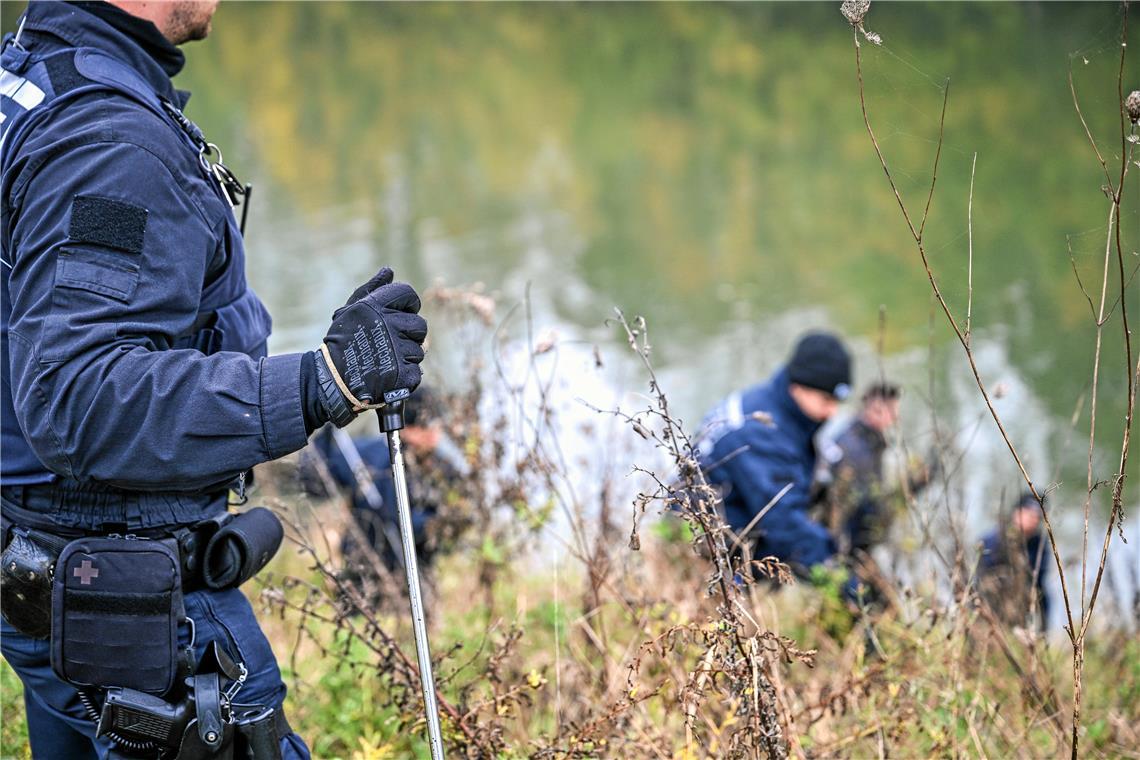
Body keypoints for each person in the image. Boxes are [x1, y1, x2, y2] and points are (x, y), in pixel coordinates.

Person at [0, 2, 426, 757]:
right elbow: (76, 396)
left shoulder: (27, 77)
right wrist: (320, 381)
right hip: (129, 609)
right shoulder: (108, 142)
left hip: (47, 575)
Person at [696, 332, 852, 581]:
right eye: (826, 400)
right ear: (799, 386)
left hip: (726, 519)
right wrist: (843, 579)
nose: (832, 412)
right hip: (708, 548)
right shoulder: (762, 433)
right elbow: (785, 524)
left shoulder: (769, 402)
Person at [301, 386, 467, 577]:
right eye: (426, 427)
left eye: (436, 427)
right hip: (362, 571)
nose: (433, 435)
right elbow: (312, 483)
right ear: (407, 427)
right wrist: (324, 432)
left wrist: (433, 524)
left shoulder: (444, 470)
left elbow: (451, 522)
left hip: (415, 574)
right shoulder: (365, 456)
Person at [818, 382, 927, 559]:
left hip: (855, 542)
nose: (896, 418)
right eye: (892, 411)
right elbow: (863, 506)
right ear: (876, 408)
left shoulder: (869, 440)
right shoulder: (854, 448)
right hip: (845, 546)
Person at [977, 491, 1051, 630]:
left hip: (1021, 615)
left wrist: (1044, 628)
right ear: (1016, 512)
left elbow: (1041, 586)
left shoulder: (1039, 545)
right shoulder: (993, 541)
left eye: (1039, 516)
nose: (1034, 519)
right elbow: (980, 580)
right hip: (991, 611)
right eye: (1030, 513)